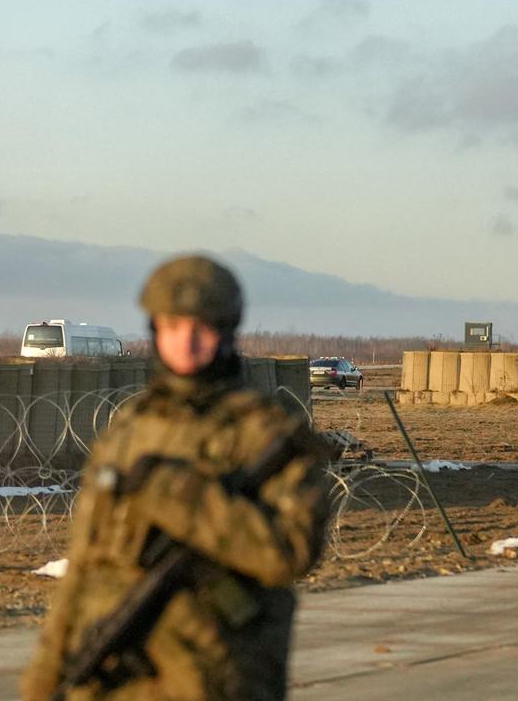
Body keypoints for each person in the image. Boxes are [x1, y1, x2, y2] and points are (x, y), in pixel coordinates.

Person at [22, 254, 333, 701]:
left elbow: (291, 552)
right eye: (172, 327)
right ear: (155, 331)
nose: (185, 343)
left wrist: (184, 498)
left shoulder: (264, 432)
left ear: (226, 332)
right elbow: (85, 565)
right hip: (116, 676)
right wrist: (44, 677)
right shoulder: (130, 429)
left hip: (214, 678)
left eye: (200, 329)